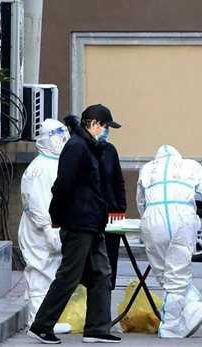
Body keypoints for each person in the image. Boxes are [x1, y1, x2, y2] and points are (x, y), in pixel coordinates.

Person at [28, 104, 122, 344]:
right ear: (93, 123)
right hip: (79, 223)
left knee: (102, 273)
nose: (106, 131)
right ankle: (41, 326)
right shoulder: (77, 147)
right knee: (69, 276)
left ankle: (97, 328)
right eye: (105, 126)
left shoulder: (90, 147)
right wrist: (58, 217)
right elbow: (62, 186)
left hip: (93, 223)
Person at [137, 144, 202, 338]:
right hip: (182, 218)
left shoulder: (147, 168)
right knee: (177, 275)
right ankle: (172, 325)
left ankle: (192, 306)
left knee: (163, 274)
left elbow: (140, 201)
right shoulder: (190, 166)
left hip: (153, 219)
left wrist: (145, 220)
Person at [18, 119, 71, 334]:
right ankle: (36, 321)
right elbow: (36, 202)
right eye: (59, 137)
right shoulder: (40, 168)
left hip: (49, 227)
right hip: (39, 229)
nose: (63, 141)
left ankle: (44, 321)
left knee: (48, 272)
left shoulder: (52, 164)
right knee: (39, 273)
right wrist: (47, 228)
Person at [64, 115, 127, 291]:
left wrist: (120, 208)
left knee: (108, 260)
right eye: (105, 126)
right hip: (88, 215)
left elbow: (118, 181)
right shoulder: (80, 149)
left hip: (110, 214)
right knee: (86, 262)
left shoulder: (110, 150)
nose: (106, 131)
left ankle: (106, 292)